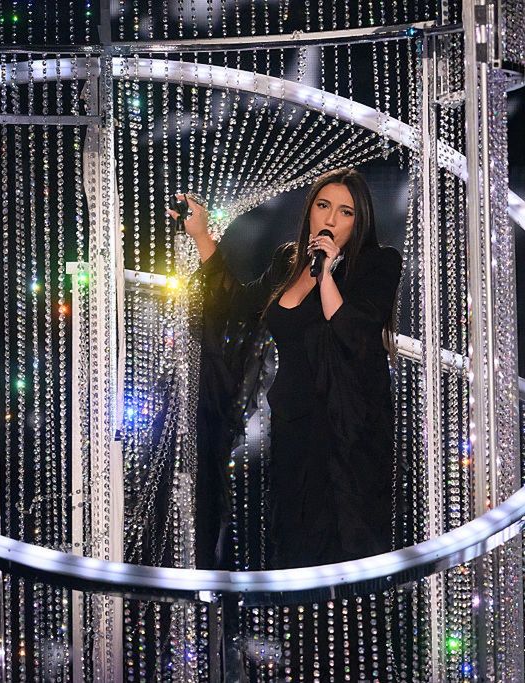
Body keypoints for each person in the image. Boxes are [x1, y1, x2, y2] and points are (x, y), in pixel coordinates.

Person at [169, 167, 406, 681]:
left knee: (346, 564)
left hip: (349, 437)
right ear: (310, 211)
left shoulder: (377, 264)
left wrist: (329, 273)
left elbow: (353, 333)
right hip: (295, 432)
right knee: (297, 559)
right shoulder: (287, 261)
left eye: (345, 212)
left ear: (359, 220)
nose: (331, 219)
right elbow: (239, 306)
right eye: (323, 206)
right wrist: (204, 237)